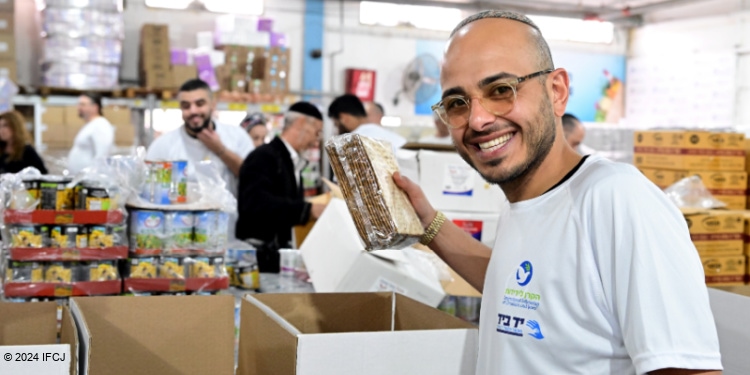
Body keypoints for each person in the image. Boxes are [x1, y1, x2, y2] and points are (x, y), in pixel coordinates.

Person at [392, 10, 722, 375]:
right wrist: (428, 223)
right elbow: (526, 294)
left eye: (501, 90)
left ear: (557, 92)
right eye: (457, 103)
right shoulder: (526, 201)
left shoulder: (617, 199)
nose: (478, 120)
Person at [236, 102, 327, 273]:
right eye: (316, 133)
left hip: (275, 259)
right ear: (301, 123)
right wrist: (307, 210)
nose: (316, 141)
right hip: (258, 263)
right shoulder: (263, 157)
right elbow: (255, 203)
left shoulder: (292, 162)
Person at [146, 79, 254, 197]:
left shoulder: (237, 136)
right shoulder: (163, 145)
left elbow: (252, 177)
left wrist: (220, 150)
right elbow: (150, 189)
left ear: (213, 105)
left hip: (228, 214)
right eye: (186, 106)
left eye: (200, 104)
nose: (193, 111)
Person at [328, 94, 406, 153]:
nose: (337, 130)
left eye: (336, 124)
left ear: (344, 118)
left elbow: (340, 174)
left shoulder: (348, 145)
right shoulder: (399, 140)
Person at [67, 93, 114, 174]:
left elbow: (102, 156)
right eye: (78, 104)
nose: (79, 107)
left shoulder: (101, 125)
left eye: (83, 104)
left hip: (90, 181)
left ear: (95, 107)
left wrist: (93, 177)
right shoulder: (90, 125)